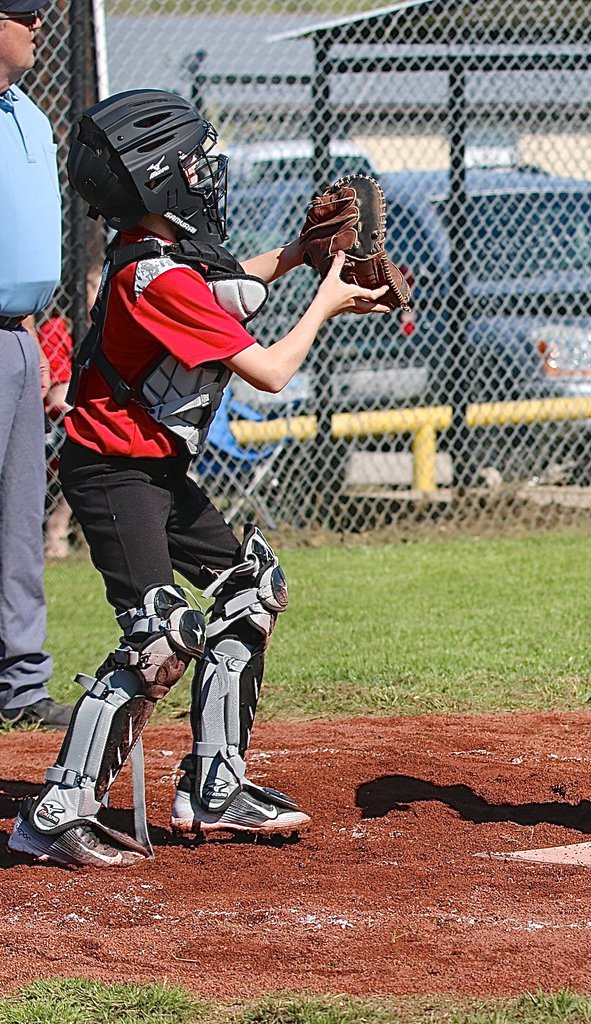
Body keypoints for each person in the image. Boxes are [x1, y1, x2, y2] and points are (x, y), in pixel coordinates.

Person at [9, 88, 390, 869]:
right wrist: (326, 300)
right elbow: (271, 371)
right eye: (191, 165)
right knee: (161, 636)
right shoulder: (153, 277)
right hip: (111, 471)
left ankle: (215, 786)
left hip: (154, 468)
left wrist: (298, 254)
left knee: (250, 590)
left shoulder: (158, 255)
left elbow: (228, 289)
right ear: (157, 178)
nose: (205, 176)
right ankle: (55, 814)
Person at [0, 0, 72, 731]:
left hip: (19, 338)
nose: (38, 24)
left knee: (21, 518)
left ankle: (21, 684)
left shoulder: (29, 115)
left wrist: (34, 342)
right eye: (23, 13)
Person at [38, 266, 101, 560]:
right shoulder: (57, 327)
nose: (101, 295)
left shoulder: (110, 331)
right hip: (53, 430)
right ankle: (58, 525)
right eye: (94, 289)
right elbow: (56, 396)